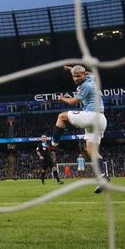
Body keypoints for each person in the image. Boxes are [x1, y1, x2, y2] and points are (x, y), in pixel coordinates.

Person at [51, 65, 108, 193]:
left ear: (83, 75)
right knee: (90, 150)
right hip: (101, 120)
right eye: (74, 76)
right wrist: (71, 69)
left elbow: (72, 102)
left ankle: (53, 143)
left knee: (61, 117)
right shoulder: (91, 78)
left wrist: (61, 98)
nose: (76, 79)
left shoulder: (86, 86)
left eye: (78, 76)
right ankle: (103, 178)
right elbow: (88, 71)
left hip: (92, 116)